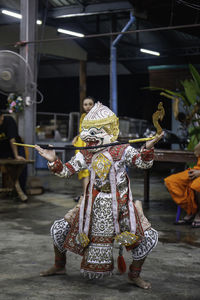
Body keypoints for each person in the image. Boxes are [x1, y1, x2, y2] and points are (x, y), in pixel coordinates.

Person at [35, 102, 164, 289]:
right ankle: (59, 266)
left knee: (148, 236)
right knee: (60, 229)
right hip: (90, 204)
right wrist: (54, 161)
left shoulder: (122, 150)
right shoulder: (86, 154)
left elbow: (142, 164)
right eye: (86, 132)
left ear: (109, 132)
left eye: (94, 132)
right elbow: (66, 171)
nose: (87, 137)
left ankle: (134, 274)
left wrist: (147, 149)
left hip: (121, 204)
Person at [164, 141, 200, 228]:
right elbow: (197, 151)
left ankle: (199, 214)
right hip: (196, 169)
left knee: (197, 186)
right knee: (171, 181)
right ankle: (191, 210)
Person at [72, 97, 95, 201]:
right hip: (81, 146)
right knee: (84, 171)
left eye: (90, 104)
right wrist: (76, 137)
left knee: (91, 171)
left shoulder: (98, 118)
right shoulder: (83, 116)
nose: (88, 106)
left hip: (91, 146)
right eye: (85, 104)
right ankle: (86, 195)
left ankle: (88, 196)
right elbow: (82, 131)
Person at [0, 110, 27, 192]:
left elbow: (12, 140)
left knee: (22, 164)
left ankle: (21, 190)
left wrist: (16, 156)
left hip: (16, 147)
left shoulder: (9, 121)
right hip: (3, 149)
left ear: (2, 117)